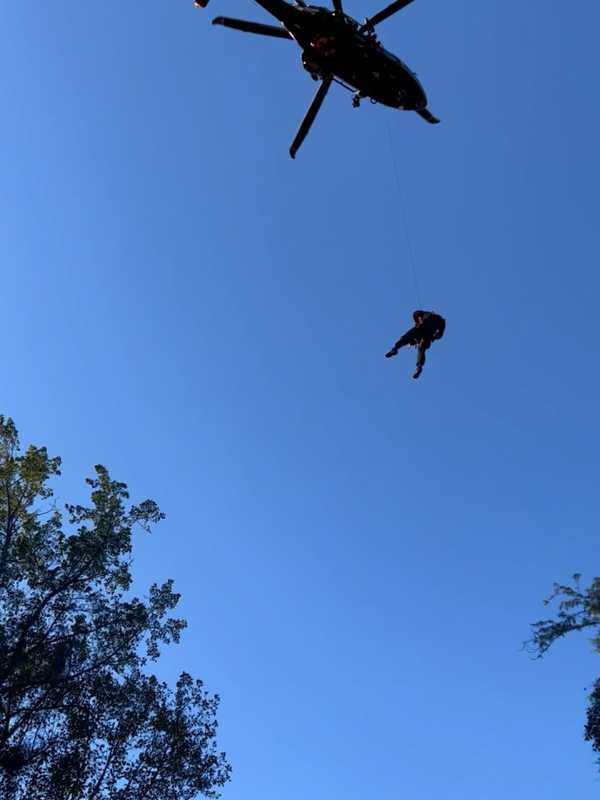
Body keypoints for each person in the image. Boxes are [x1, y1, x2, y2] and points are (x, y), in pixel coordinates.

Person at [385, 310, 446, 379]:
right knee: (421, 349)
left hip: (423, 327)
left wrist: (419, 321)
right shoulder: (441, 321)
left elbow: (416, 313)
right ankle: (419, 367)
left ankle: (395, 349)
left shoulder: (425, 314)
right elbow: (439, 335)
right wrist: (432, 337)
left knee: (406, 337)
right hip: (429, 333)